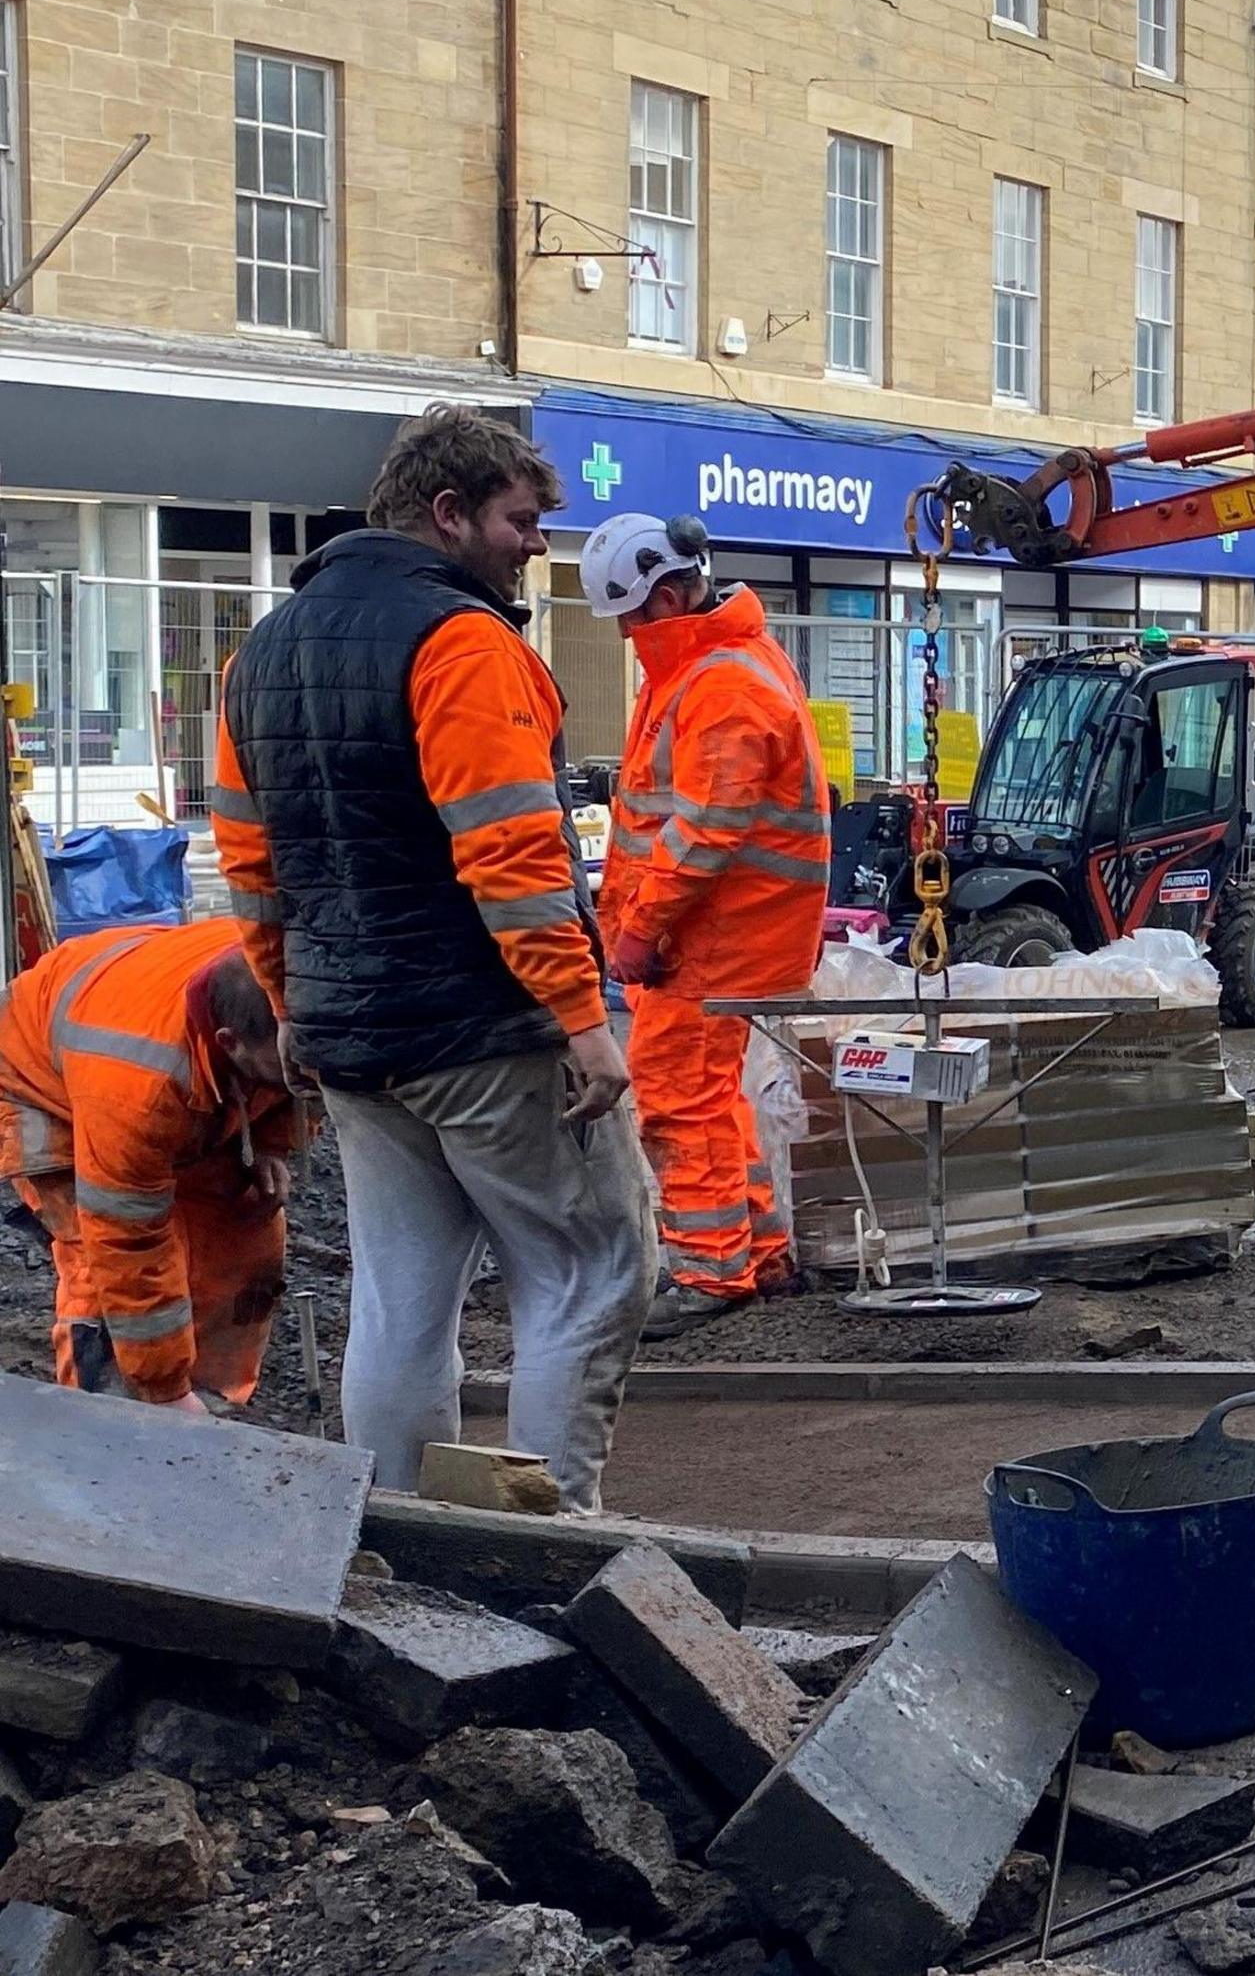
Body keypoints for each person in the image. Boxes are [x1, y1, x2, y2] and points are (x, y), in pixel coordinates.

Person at [209, 405, 654, 1511]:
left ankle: (400, 1540)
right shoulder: (461, 641)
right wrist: (581, 1018)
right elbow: (509, 849)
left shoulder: (259, 652)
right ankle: (544, 1542)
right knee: (586, 1273)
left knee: (402, 1304)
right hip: (486, 1030)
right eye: (520, 519)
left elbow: (249, 858)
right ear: (449, 513)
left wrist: (287, 999)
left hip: (354, 1037)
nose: (535, 544)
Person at [579, 511, 829, 1341]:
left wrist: (642, 927)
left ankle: (708, 1269)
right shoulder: (708, 666)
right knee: (714, 1098)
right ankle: (756, 1251)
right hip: (725, 931)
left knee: (678, 1097)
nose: (624, 632)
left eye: (632, 613)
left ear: (674, 592)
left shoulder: (720, 680)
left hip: (717, 935)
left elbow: (701, 831)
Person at [0, 921, 304, 1409]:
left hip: (133, 1031)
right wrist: (162, 1390)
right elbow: (127, 1240)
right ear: (228, 1043)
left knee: (240, 1228)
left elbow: (305, 1074)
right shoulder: (136, 1091)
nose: (301, 1079)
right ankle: (109, 1419)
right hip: (38, 1084)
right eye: (285, 1070)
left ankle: (212, 1400)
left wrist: (273, 1143)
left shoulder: (285, 970)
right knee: (100, 1269)